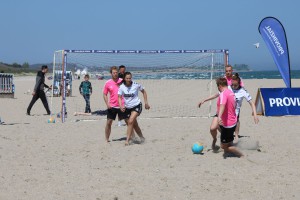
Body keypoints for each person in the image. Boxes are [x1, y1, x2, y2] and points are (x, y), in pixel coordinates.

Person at [118, 72, 150, 146]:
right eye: (127, 78)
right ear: (124, 79)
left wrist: (146, 103)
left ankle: (127, 140)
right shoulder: (122, 87)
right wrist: (120, 106)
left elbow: (144, 92)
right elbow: (119, 97)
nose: (128, 80)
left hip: (137, 105)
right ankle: (142, 138)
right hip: (127, 107)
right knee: (134, 125)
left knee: (130, 121)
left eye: (130, 78)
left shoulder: (136, 85)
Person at [215, 77, 243, 158]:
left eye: (218, 86)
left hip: (227, 124)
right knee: (228, 140)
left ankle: (241, 154)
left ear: (220, 86)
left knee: (224, 146)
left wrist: (219, 117)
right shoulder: (231, 92)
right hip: (233, 121)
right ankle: (230, 144)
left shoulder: (223, 94)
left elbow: (222, 105)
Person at [230, 73, 259, 141]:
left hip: (235, 112)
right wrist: (205, 99)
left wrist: (255, 115)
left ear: (238, 82)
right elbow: (217, 95)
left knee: (236, 121)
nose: (233, 86)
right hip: (227, 111)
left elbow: (252, 103)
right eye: (232, 83)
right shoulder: (228, 88)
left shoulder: (243, 91)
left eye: (235, 80)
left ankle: (236, 135)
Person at [103, 66, 126, 142]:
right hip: (112, 106)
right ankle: (107, 139)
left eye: (116, 72)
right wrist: (107, 104)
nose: (115, 74)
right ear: (111, 73)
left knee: (129, 122)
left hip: (122, 105)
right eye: (114, 73)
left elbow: (128, 90)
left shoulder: (122, 81)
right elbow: (104, 94)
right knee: (109, 123)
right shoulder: (108, 83)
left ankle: (130, 136)